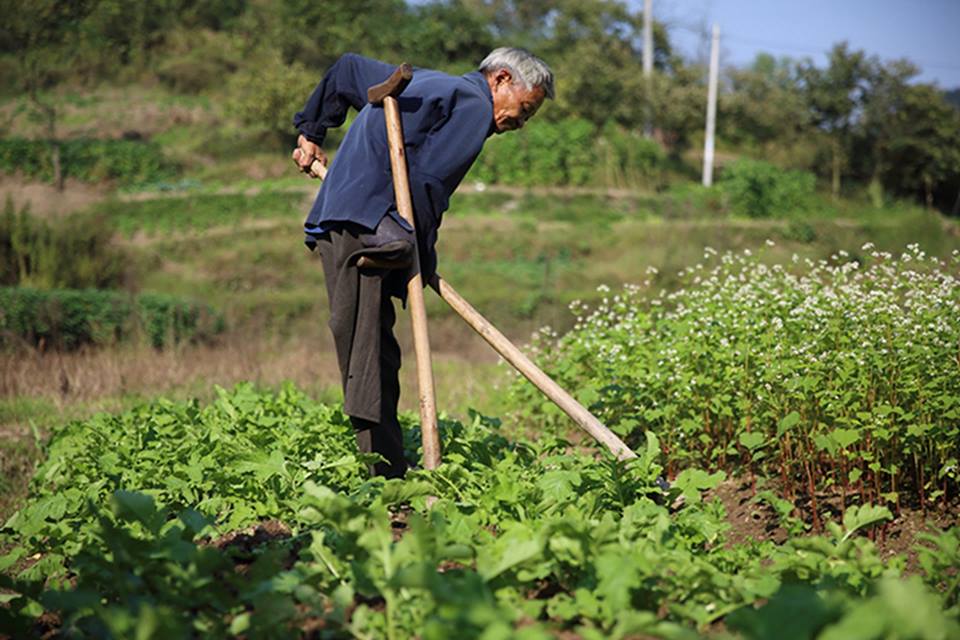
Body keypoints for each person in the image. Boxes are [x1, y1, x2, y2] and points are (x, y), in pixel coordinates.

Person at [292, 48, 554, 478]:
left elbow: (348, 71)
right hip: (371, 230)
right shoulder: (472, 105)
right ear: (501, 79)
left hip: (341, 220)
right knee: (369, 355)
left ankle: (387, 464)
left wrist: (311, 131)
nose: (520, 123)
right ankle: (384, 477)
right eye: (525, 109)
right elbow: (428, 186)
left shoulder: (427, 84)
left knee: (370, 349)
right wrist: (421, 252)